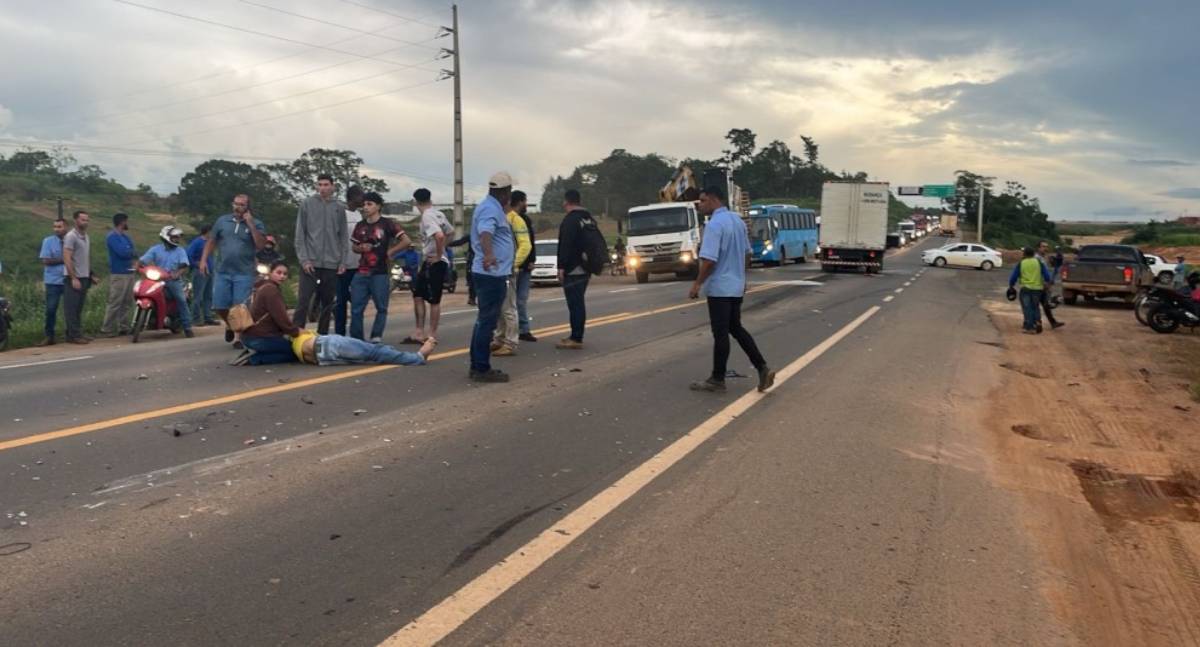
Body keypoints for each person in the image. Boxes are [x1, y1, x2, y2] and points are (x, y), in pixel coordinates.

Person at [687, 185, 775, 393]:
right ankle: (762, 367)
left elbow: (709, 261)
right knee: (735, 328)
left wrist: (697, 283)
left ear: (713, 199)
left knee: (721, 333)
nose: (700, 205)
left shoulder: (715, 225)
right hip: (735, 286)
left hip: (720, 288)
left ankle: (717, 379)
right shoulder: (737, 221)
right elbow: (747, 253)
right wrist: (741, 278)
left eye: (702, 201)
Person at [201, 193, 267, 348]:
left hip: (243, 272)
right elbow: (212, 241)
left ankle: (238, 338)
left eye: (242, 205)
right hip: (223, 270)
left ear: (248, 207)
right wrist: (204, 260)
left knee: (240, 306)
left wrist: (250, 224)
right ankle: (230, 324)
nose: (238, 207)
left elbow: (260, 245)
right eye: (236, 204)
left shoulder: (257, 223)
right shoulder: (222, 221)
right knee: (219, 305)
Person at [468, 172, 516, 382]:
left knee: (484, 321)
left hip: (491, 272)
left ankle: (477, 365)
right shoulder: (490, 208)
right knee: (487, 322)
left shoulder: (491, 207)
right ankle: (481, 368)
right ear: (505, 192)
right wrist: (489, 254)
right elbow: (485, 232)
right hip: (491, 274)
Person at [350, 191, 410, 341]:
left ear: (378, 206)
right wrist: (361, 248)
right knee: (356, 308)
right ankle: (357, 339)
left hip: (380, 272)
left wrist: (391, 251)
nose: (365, 207)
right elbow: (354, 247)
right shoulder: (360, 225)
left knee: (381, 307)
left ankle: (376, 336)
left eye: (369, 204)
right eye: (364, 204)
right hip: (362, 271)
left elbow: (406, 240)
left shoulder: (387, 223)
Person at [293, 174, 349, 334]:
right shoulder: (307, 204)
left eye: (326, 185)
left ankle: (322, 337)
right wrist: (304, 260)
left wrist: (342, 261)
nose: (323, 188)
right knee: (303, 301)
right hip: (310, 262)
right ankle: (296, 335)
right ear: (316, 186)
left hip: (331, 263)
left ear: (332, 186)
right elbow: (300, 234)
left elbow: (343, 236)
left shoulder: (339, 207)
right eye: (320, 184)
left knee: (328, 304)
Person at [233, 261, 302, 366]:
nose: (282, 276)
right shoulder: (271, 290)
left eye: (285, 274)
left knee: (285, 346)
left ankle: (254, 353)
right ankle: (254, 359)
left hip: (249, 336)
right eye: (278, 273)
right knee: (295, 353)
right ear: (270, 273)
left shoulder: (264, 287)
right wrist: (296, 332)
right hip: (259, 338)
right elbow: (281, 318)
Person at [409, 188, 454, 344]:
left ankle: (431, 334)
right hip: (431, 261)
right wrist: (443, 249)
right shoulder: (438, 213)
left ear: (415, 202)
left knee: (434, 299)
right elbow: (451, 232)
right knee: (418, 295)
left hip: (434, 262)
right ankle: (420, 331)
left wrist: (438, 254)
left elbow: (440, 235)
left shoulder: (427, 216)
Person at [492, 190, 534, 355]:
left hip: (507, 271)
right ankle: (499, 339)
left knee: (509, 308)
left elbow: (526, 245)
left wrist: (512, 264)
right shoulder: (501, 218)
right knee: (500, 308)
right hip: (497, 271)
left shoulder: (517, 220)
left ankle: (510, 343)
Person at [555, 189, 595, 349]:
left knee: (575, 303)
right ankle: (575, 335)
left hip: (573, 268)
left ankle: (576, 338)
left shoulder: (570, 220)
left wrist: (561, 267)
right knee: (578, 302)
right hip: (587, 266)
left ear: (566, 201)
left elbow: (566, 245)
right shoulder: (588, 218)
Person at [140, 226, 195, 338]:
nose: (177, 240)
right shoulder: (155, 249)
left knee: (181, 299)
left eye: (178, 237)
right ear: (166, 237)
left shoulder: (180, 251)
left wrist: (177, 273)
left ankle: (187, 327)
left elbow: (184, 265)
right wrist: (138, 266)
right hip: (156, 279)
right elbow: (143, 260)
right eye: (174, 237)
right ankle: (141, 322)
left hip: (172, 280)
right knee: (142, 292)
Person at [290, 329, 437, 367]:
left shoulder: (292, 345)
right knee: (375, 351)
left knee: (371, 353)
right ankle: (417, 357)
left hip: (321, 358)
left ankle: (398, 353)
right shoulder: (292, 330)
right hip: (327, 344)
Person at [62, 210, 99, 344]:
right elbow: (67, 257)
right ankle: (74, 335)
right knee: (71, 308)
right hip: (73, 277)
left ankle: (75, 333)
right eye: (83, 219)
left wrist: (91, 274)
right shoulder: (71, 236)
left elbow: (84, 259)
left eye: (87, 220)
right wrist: (73, 277)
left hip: (84, 277)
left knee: (78, 308)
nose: (85, 222)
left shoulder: (86, 236)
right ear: (76, 220)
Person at [100, 212, 137, 337]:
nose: (127, 224)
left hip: (129, 272)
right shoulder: (112, 237)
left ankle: (124, 326)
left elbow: (132, 250)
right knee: (115, 301)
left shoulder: (126, 237)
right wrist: (130, 252)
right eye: (126, 221)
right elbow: (123, 253)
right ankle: (107, 328)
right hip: (118, 273)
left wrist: (130, 252)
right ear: (122, 222)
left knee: (127, 302)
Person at [335, 185, 366, 336]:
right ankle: (340, 334)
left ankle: (356, 334)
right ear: (352, 198)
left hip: (358, 265)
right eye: (361, 196)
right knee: (340, 302)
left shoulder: (359, 215)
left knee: (358, 302)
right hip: (343, 265)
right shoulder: (341, 214)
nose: (363, 199)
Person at [37, 218, 68, 346]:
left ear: (66, 227)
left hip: (68, 279)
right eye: (55, 226)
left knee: (71, 309)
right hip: (53, 281)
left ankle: (72, 333)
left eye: (59, 227)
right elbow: (46, 260)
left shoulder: (71, 240)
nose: (57, 229)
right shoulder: (48, 241)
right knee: (51, 309)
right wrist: (65, 259)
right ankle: (49, 336)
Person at [1009, 246, 1053, 334]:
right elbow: (1047, 276)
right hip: (1037, 289)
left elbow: (1014, 276)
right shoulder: (1039, 262)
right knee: (1035, 306)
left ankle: (1030, 327)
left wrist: (1011, 285)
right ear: (1033, 254)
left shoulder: (1021, 263)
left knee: (1027, 308)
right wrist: (1047, 283)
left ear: (1024, 254)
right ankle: (1037, 322)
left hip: (1026, 289)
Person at [516, 193, 537, 342]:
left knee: (521, 300)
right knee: (509, 302)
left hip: (524, 267)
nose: (526, 204)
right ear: (520, 202)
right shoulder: (508, 219)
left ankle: (524, 329)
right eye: (525, 201)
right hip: (511, 266)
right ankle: (505, 332)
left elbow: (530, 242)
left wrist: (531, 260)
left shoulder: (526, 220)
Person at [187, 224, 217, 326]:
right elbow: (188, 255)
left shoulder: (210, 243)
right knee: (198, 296)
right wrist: (197, 264)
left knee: (208, 295)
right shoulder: (197, 242)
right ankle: (195, 318)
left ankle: (208, 316)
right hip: (200, 272)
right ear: (208, 231)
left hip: (210, 271)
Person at [1035, 241, 1064, 330]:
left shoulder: (1045, 258)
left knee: (1046, 305)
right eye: (1043, 246)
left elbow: (1053, 268)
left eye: (1046, 246)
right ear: (1038, 248)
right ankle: (1034, 323)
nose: (1045, 248)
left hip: (1045, 285)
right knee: (1035, 306)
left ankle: (1053, 322)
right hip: (1037, 285)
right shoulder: (1036, 258)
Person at [448, 233, 476, 305]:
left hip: (480, 258)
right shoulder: (472, 235)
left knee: (475, 280)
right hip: (474, 259)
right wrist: (447, 244)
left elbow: (460, 242)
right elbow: (460, 242)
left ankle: (473, 298)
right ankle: (472, 298)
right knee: (472, 280)